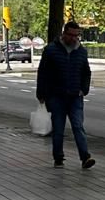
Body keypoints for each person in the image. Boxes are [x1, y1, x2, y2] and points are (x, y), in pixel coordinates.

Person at [36, 20, 96, 169]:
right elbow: (42, 72)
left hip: (75, 96)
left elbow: (86, 72)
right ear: (64, 34)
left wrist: (84, 89)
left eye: (77, 36)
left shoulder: (81, 51)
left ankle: (85, 157)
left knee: (78, 126)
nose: (74, 39)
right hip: (56, 96)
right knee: (58, 128)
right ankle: (58, 157)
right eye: (71, 35)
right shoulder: (51, 50)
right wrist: (41, 93)